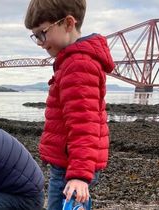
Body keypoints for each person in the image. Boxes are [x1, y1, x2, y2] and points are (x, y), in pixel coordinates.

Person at [24, 0, 115, 209]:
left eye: (42, 33)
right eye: (35, 36)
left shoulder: (78, 64)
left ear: (68, 23)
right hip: (68, 164)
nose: (39, 42)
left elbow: (85, 123)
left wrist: (79, 176)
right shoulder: (71, 62)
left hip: (71, 169)